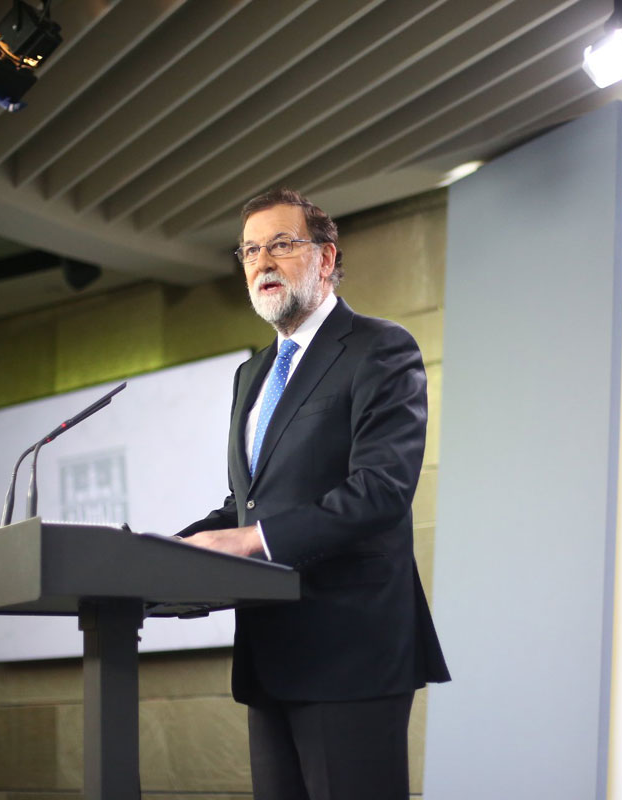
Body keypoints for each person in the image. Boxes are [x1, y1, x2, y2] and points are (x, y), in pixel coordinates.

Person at [178, 187, 450, 799]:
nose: (262, 263)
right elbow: (247, 504)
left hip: (350, 650)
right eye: (250, 251)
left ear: (325, 260)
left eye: (281, 244)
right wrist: (173, 550)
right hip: (270, 652)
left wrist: (254, 538)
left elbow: (381, 490)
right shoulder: (251, 375)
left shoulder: (380, 349)